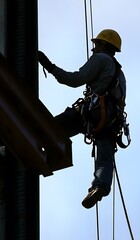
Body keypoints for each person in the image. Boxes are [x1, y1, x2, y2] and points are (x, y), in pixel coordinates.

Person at [38, 29, 127, 209]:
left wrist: (50, 66)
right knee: (104, 157)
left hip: (93, 112)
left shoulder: (101, 59)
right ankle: (99, 186)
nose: (93, 48)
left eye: (97, 44)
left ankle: (30, 139)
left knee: (51, 128)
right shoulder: (120, 74)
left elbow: (75, 79)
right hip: (110, 121)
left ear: (104, 45)